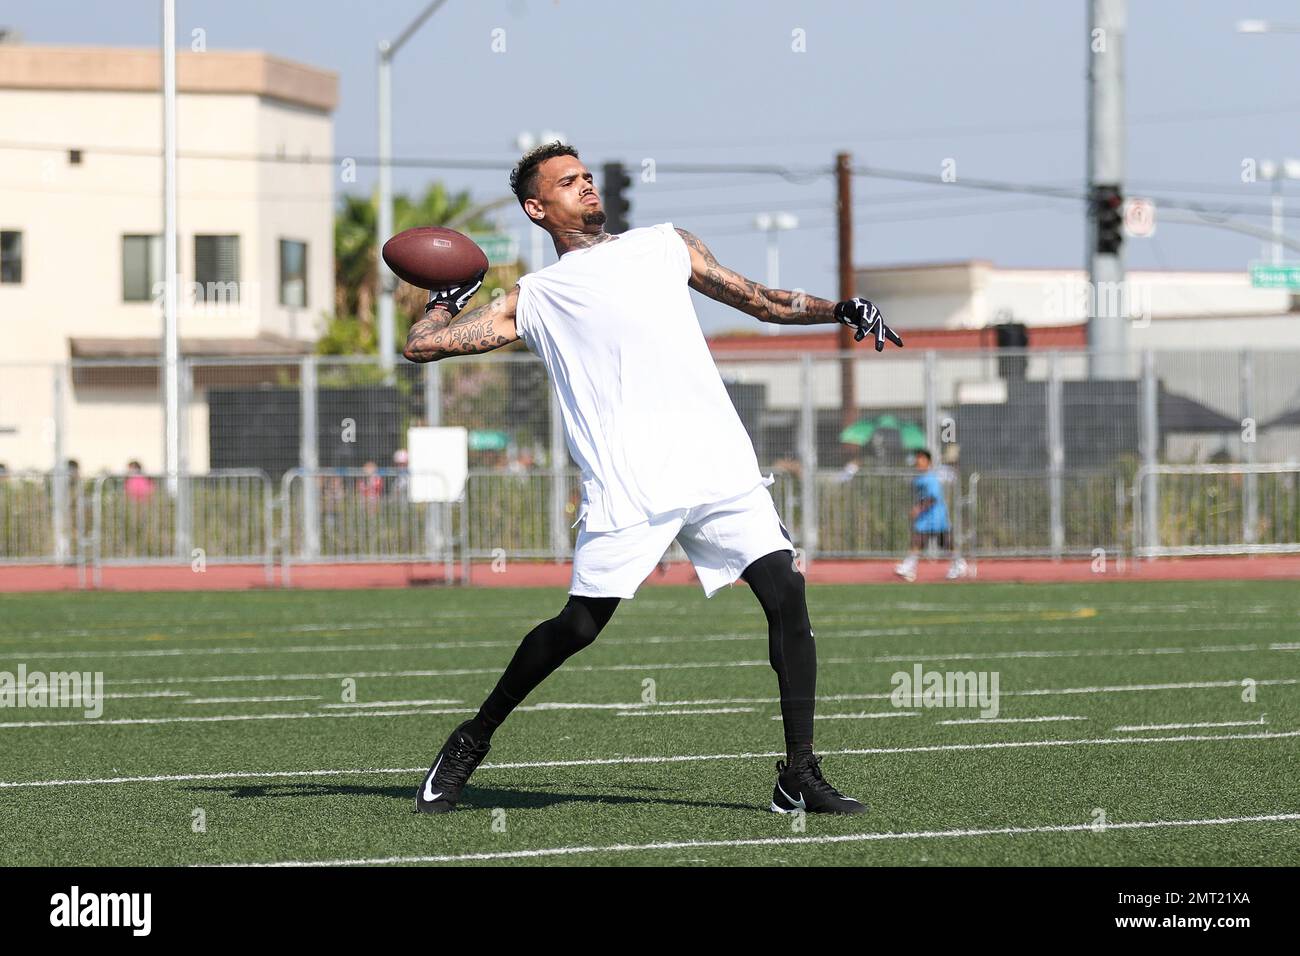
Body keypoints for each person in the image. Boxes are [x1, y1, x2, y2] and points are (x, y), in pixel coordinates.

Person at [400, 141, 903, 816]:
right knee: (579, 625)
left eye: (584, 175)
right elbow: (422, 347)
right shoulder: (538, 297)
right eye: (565, 181)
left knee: (787, 594)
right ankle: (471, 738)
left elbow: (758, 300)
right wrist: (447, 297)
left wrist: (839, 310)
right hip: (629, 482)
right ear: (535, 207)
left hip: (717, 465)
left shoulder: (666, 244)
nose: (584, 186)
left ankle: (800, 773)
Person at [894, 448, 967, 582]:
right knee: (918, 540)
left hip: (936, 516)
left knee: (945, 542)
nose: (919, 462)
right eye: (918, 459)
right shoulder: (920, 478)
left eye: (922, 459)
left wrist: (918, 508)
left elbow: (933, 497)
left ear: (929, 462)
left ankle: (958, 564)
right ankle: (909, 567)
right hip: (926, 518)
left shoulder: (930, 479)